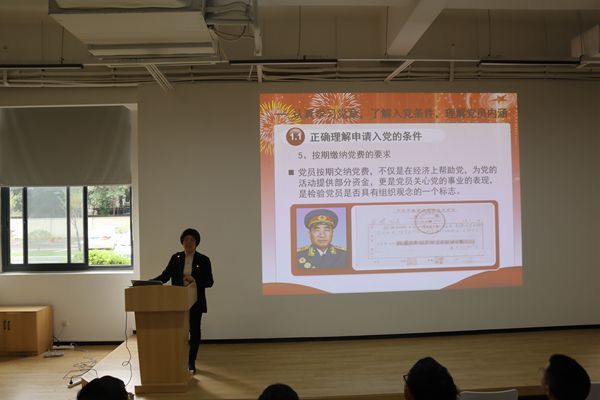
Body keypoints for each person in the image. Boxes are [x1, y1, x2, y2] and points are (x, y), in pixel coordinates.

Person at [153, 228, 214, 374]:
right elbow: (165, 276)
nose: (189, 242)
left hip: (195, 301)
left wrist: (195, 279)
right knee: (179, 331)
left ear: (196, 243)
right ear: (182, 242)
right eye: (186, 239)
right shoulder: (176, 258)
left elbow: (209, 282)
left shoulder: (204, 259)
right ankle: (178, 359)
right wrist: (148, 282)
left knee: (195, 331)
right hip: (177, 300)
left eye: (192, 240)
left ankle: (191, 361)